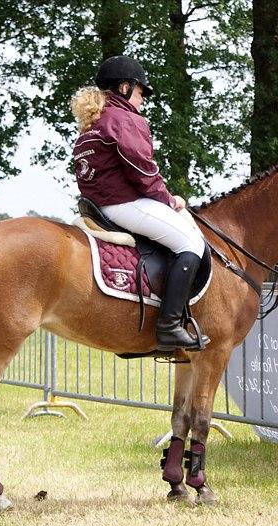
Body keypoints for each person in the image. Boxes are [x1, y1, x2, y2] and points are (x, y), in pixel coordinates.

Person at [70, 55, 208, 351]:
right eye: (140, 92)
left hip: (97, 205)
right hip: (123, 203)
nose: (142, 100)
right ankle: (169, 326)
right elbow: (143, 170)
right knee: (192, 243)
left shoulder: (92, 124)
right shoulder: (124, 119)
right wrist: (169, 200)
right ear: (124, 88)